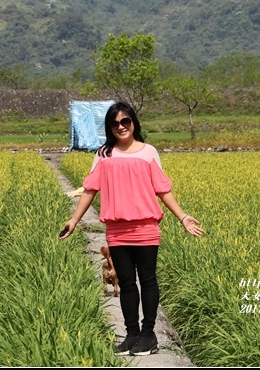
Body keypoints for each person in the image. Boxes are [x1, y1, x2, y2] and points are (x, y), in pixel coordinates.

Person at [59, 101, 204, 356]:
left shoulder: (148, 152)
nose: (121, 127)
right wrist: (74, 220)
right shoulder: (104, 154)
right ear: (110, 128)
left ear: (133, 122)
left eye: (125, 121)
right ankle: (132, 335)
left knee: (147, 281)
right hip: (117, 230)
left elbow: (163, 189)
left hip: (146, 228)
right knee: (126, 284)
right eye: (115, 123)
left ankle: (149, 336)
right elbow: (90, 190)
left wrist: (183, 217)